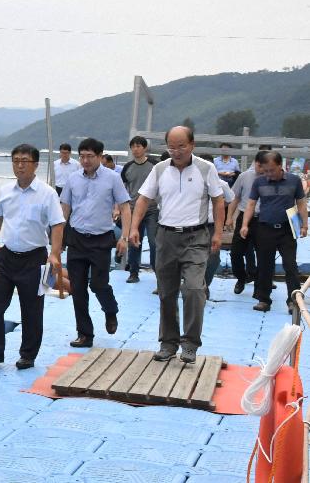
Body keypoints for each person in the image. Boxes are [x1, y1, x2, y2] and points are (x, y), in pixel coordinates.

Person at [131, 126, 224, 364]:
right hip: (166, 236)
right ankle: (168, 343)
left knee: (194, 289)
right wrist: (133, 227)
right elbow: (143, 199)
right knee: (166, 292)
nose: (177, 151)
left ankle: (190, 343)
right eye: (171, 146)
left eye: (181, 146)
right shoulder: (160, 169)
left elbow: (218, 200)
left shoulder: (206, 168)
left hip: (196, 237)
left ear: (192, 145)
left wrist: (218, 233)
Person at [0, 144, 65, 369]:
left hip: (34, 258)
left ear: (35, 164)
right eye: (15, 160)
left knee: (32, 310)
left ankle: (28, 355)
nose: (20, 165)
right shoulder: (5, 191)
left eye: (25, 160)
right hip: (7, 256)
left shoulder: (47, 193)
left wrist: (54, 254)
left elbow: (57, 225)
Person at [61, 138, 131, 348]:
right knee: (78, 288)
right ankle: (85, 334)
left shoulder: (112, 178)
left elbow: (125, 208)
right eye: (82, 156)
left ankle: (111, 311)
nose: (85, 160)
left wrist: (124, 237)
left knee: (98, 284)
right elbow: (64, 209)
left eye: (90, 156)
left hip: (101, 239)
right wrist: (59, 239)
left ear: (100, 156)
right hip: (77, 238)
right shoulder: (73, 179)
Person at [240, 151, 308, 312]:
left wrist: (304, 225)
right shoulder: (259, 182)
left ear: (280, 166)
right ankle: (264, 300)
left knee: (290, 265)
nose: (268, 174)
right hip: (265, 229)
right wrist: (245, 224)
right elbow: (250, 204)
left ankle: (293, 301)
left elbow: (301, 204)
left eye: (272, 170)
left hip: (287, 229)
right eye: (265, 171)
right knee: (264, 265)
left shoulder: (294, 180)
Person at [225, 151, 266, 295]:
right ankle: (241, 278)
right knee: (236, 253)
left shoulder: (272, 177)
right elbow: (235, 198)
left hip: (264, 220)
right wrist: (229, 217)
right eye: (257, 164)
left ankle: (260, 285)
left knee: (263, 254)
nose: (259, 168)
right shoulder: (244, 176)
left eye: (262, 166)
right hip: (244, 218)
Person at [120, 136, 158, 284]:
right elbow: (123, 189)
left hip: (152, 209)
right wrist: (119, 207)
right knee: (134, 241)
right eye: (133, 146)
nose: (135, 149)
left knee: (155, 242)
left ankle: (158, 272)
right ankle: (133, 272)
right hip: (133, 209)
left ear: (144, 148)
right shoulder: (127, 167)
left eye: (138, 146)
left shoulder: (155, 165)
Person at [199, 155, 235, 295]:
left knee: (213, 258)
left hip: (211, 225)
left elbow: (230, 199)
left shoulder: (221, 184)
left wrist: (218, 208)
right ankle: (194, 285)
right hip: (192, 226)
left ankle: (204, 285)